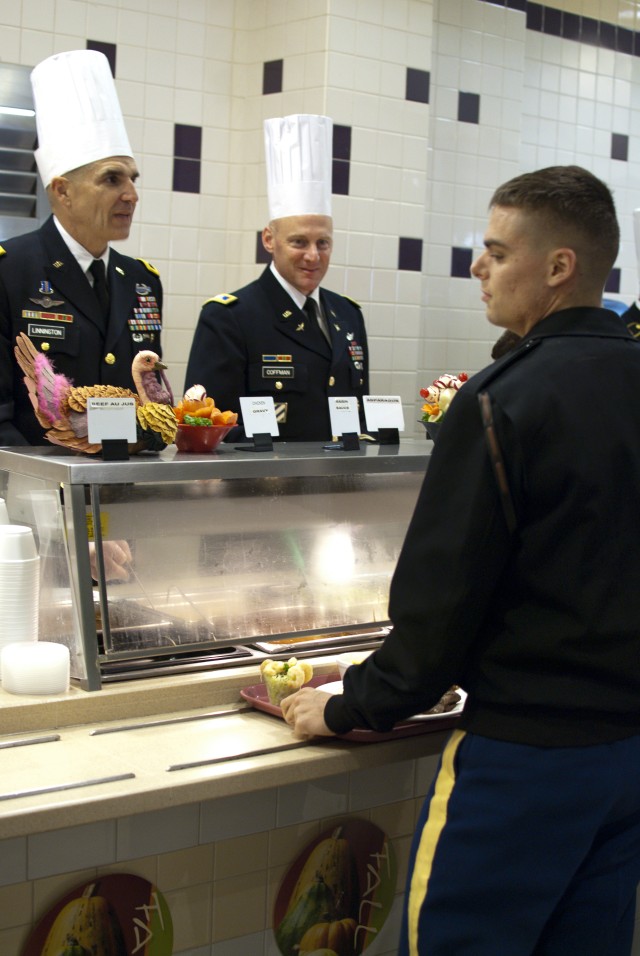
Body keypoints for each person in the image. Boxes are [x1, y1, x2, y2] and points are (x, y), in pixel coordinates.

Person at [282, 165, 640, 955]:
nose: (478, 267)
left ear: (558, 268)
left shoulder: (500, 399)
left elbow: (441, 606)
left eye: (496, 251)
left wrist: (350, 703)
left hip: (526, 763)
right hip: (626, 760)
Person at [0, 50, 163, 447]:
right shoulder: (11, 270)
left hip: (124, 483)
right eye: (111, 179)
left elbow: (153, 397)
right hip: (35, 493)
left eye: (132, 179)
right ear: (63, 191)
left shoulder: (142, 280)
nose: (131, 194)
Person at [184, 114, 369, 441]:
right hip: (261, 487)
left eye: (322, 243)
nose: (313, 255)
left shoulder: (348, 315)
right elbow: (207, 430)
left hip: (341, 485)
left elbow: (359, 418)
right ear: (269, 239)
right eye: (299, 242)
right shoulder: (229, 318)